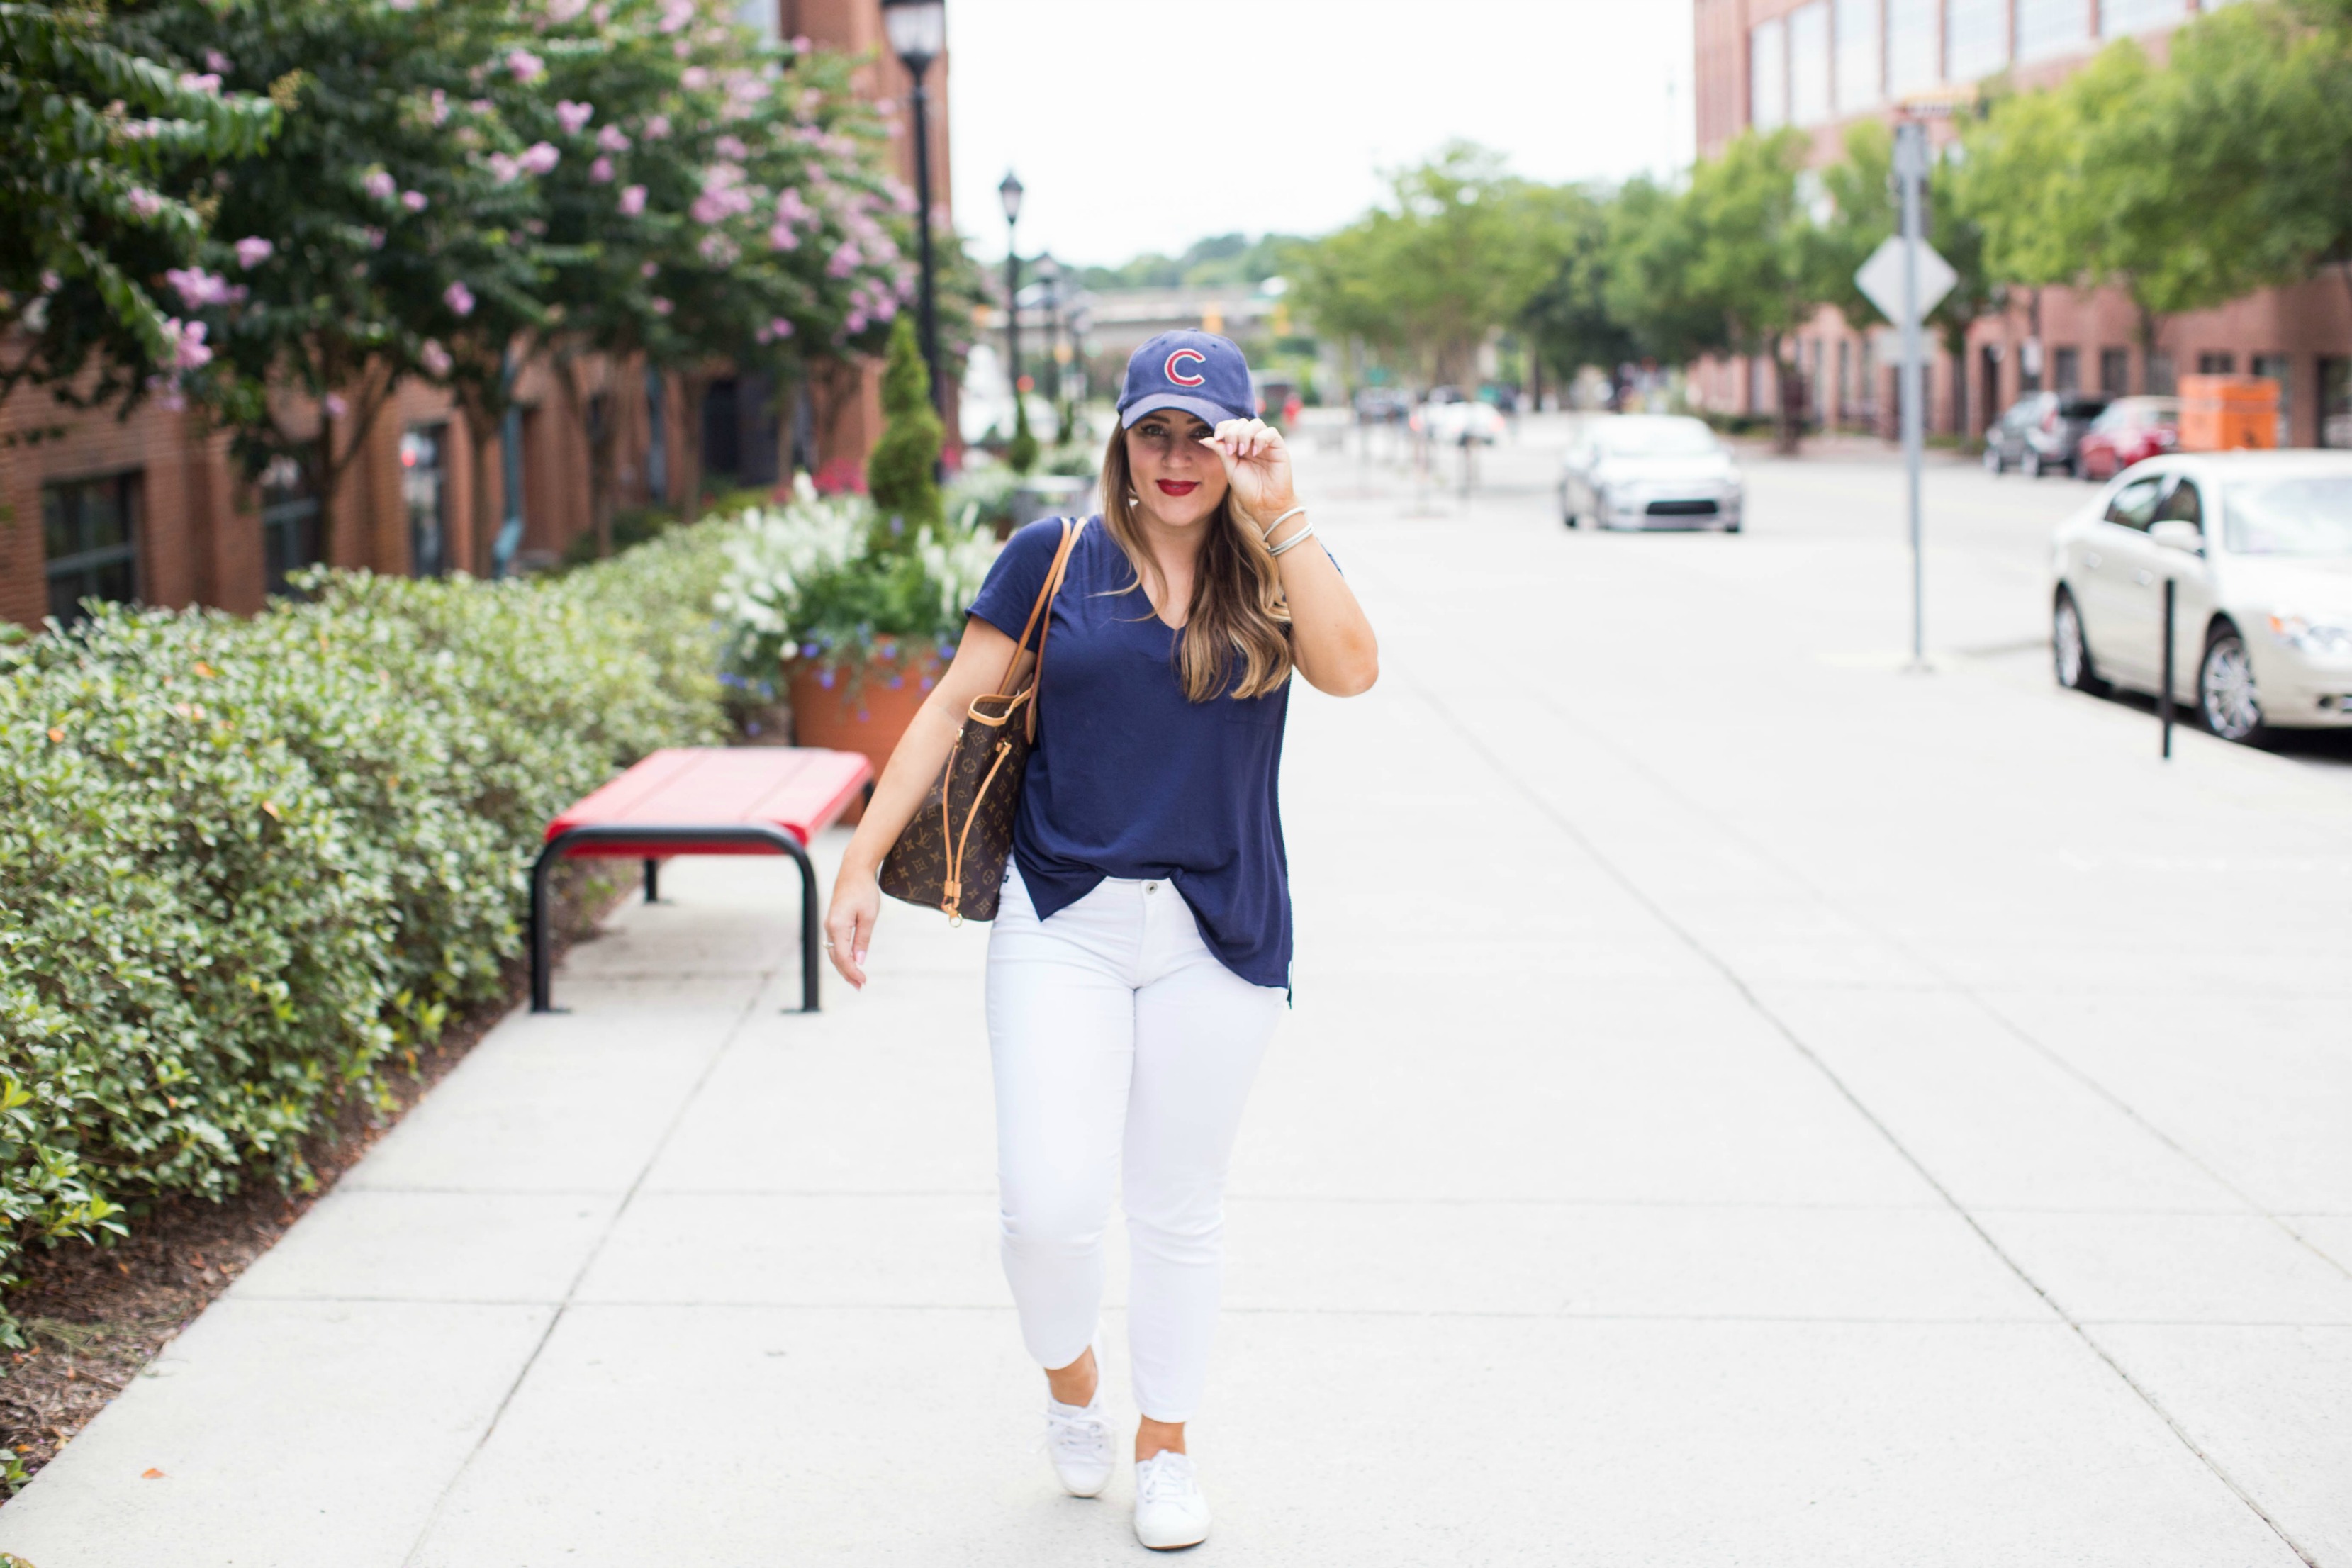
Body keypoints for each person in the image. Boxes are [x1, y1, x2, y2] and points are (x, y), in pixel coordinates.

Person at [823, 329, 1378, 1550]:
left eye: (1204, 435)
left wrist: (1282, 511)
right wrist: (859, 861)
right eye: (1153, 432)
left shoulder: (1273, 561)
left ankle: (1165, 1444)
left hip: (1220, 929)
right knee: (1047, 1209)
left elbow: (1351, 672)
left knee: (1177, 1209)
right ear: (1120, 440)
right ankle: (1071, 1383)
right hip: (1063, 915)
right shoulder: (1054, 555)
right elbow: (948, 706)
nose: (1176, 459)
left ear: (1241, 445)